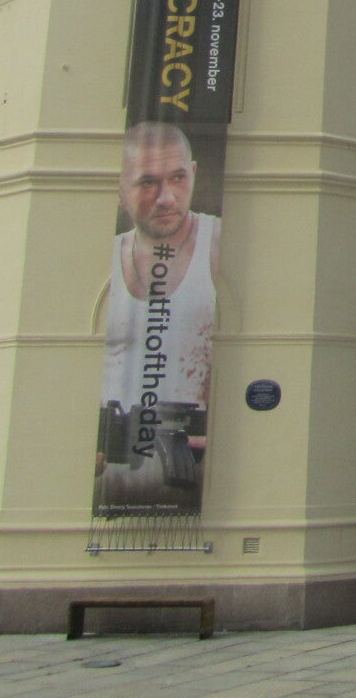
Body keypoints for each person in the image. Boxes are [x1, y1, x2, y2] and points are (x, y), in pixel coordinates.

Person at [94, 120, 220, 512]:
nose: (166, 198)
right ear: (119, 189)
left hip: (199, 489)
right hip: (108, 489)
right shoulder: (102, 257)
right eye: (147, 183)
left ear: (194, 173)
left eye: (178, 178)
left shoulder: (220, 246)